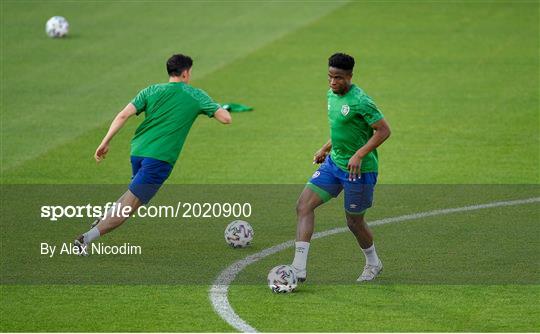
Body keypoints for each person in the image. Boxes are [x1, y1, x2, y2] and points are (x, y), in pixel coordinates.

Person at [74, 54, 231, 255]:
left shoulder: (150, 90)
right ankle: (85, 239)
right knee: (129, 208)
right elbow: (226, 119)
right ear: (185, 73)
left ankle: (104, 216)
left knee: (133, 195)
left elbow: (123, 115)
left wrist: (105, 142)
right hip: (160, 159)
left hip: (138, 152)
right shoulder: (195, 95)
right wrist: (215, 106)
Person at [291, 53, 391, 282]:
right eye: (330, 77)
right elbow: (340, 129)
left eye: (338, 78)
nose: (333, 82)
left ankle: (374, 263)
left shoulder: (361, 101)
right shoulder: (331, 95)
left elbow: (384, 131)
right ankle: (298, 268)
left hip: (359, 170)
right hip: (334, 164)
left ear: (350, 76)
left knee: (354, 222)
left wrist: (359, 154)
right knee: (303, 206)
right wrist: (325, 148)